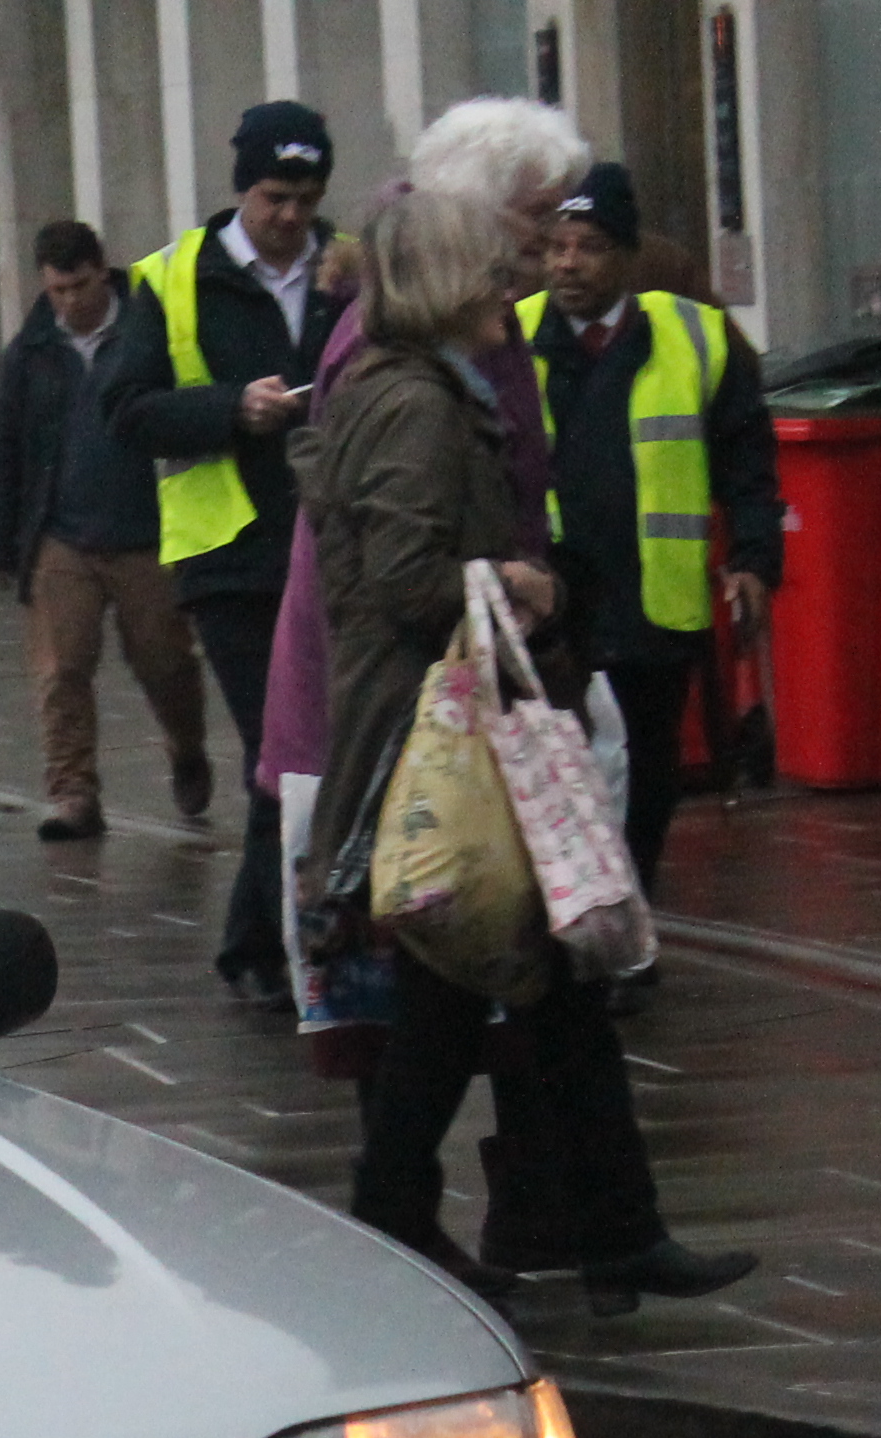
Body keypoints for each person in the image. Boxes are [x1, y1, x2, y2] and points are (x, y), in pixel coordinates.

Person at [301, 186, 751, 1314]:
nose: (518, 282)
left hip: (456, 727)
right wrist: (523, 582)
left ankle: (590, 1231)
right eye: (496, 267)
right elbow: (402, 581)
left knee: (533, 996)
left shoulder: (418, 390)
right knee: (492, 997)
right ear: (448, 282)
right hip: (443, 739)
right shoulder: (413, 407)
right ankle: (516, 1228)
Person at [258, 96, 592, 1011]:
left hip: (445, 682)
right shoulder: (410, 374)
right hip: (416, 694)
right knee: (437, 975)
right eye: (537, 214)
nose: (553, 240)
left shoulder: (465, 340)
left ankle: (502, 1145)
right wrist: (512, 583)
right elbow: (400, 568)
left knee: (473, 996)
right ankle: (413, 1156)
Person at [103, 101, 345, 1006]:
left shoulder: (348, 269)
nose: (291, 217)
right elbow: (124, 410)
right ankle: (267, 952)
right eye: (276, 196)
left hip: (333, 546)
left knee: (310, 755)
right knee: (279, 753)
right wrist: (228, 410)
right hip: (231, 553)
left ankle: (260, 942)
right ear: (242, 188)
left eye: (307, 198)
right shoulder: (172, 279)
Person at [522, 163, 780, 892]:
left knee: (646, 758)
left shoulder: (696, 337)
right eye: (558, 246)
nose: (568, 263)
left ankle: (628, 902)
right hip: (549, 597)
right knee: (557, 758)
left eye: (591, 246)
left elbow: (747, 459)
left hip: (653, 599)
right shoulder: (511, 338)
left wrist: (755, 560)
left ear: (629, 257)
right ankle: (575, 905)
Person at [0, 223, 215, 834]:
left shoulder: (145, 326)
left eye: (79, 287)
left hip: (147, 530)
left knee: (165, 660)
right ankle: (72, 791)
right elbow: (4, 447)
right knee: (61, 669)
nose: (69, 302)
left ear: (101, 272)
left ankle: (187, 749)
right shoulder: (30, 350)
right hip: (61, 531)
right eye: (56, 290)